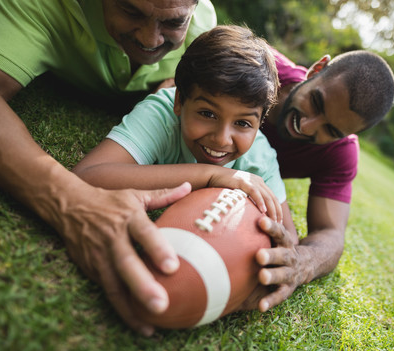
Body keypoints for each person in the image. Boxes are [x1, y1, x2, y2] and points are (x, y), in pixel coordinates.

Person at [0, 0, 216, 336]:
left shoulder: (203, 27)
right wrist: (71, 201)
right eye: (131, 12)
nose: (151, 39)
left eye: (172, 22)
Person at [72, 25, 296, 233]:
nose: (221, 139)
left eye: (243, 123)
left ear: (259, 125)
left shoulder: (260, 157)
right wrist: (211, 175)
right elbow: (87, 176)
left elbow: (287, 236)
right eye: (208, 114)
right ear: (179, 101)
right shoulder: (162, 113)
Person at [243, 48, 394, 313]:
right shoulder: (255, 61)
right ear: (315, 70)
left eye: (331, 130)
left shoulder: (340, 153)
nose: (308, 126)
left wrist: (302, 262)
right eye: (316, 102)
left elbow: (331, 233)